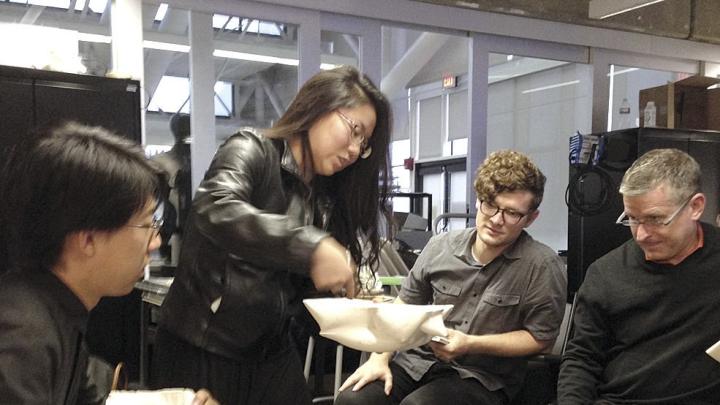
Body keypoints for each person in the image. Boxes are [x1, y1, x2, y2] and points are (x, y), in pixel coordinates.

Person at [152, 65, 392, 405]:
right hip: (205, 346)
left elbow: (294, 292)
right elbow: (215, 209)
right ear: (319, 107)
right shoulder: (252, 149)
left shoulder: (322, 197)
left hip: (270, 350)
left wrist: (359, 305)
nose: (355, 150)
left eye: (364, 143)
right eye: (354, 130)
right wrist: (313, 248)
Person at [0, 123, 218, 404]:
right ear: (88, 239)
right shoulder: (23, 338)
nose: (155, 242)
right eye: (147, 224)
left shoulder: (56, 311)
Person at [335, 150, 567, 405]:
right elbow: (402, 310)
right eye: (490, 205)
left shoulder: (542, 266)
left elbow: (541, 339)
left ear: (531, 218)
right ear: (479, 200)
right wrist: (379, 358)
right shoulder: (440, 247)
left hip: (481, 378)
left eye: (512, 213)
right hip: (416, 362)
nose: (496, 220)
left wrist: (471, 344)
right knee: (352, 400)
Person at [557, 148, 720, 404]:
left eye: (655, 219)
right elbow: (582, 359)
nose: (641, 234)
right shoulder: (606, 273)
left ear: (696, 207)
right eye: (632, 219)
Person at [152, 113, 192, 263]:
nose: (185, 134)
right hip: (170, 232)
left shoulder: (202, 161)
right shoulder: (160, 162)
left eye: (188, 129)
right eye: (182, 129)